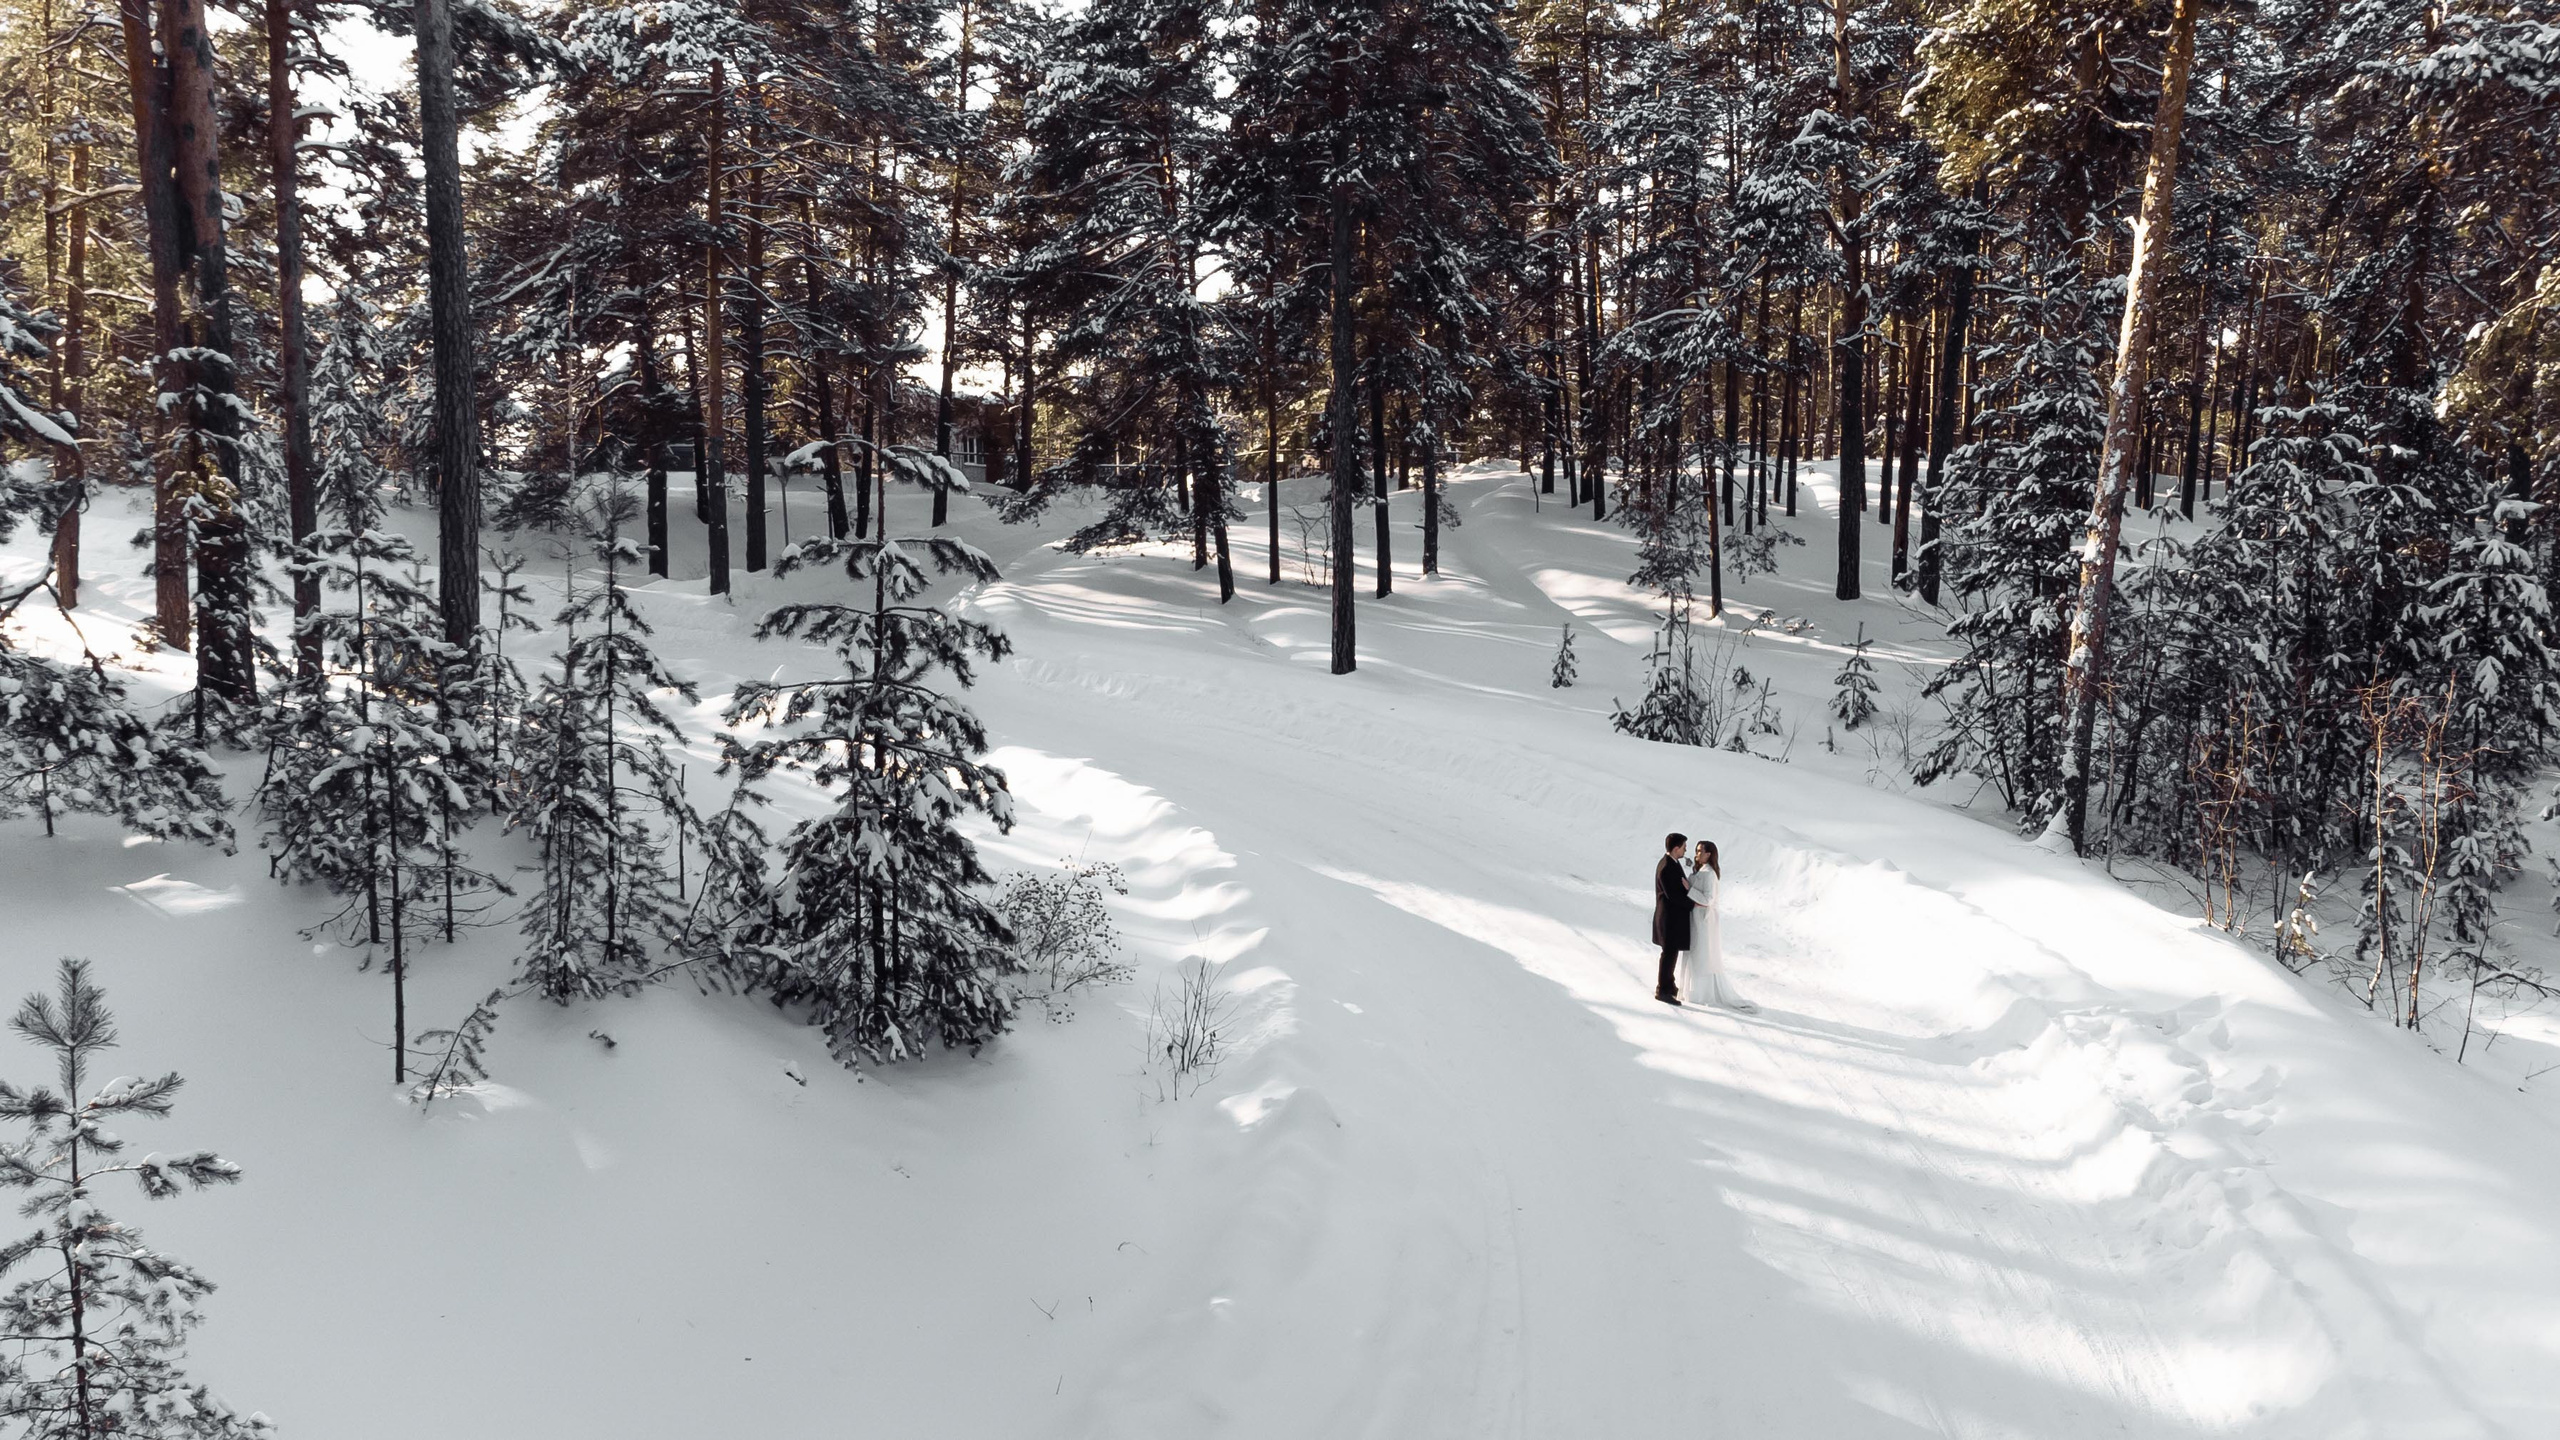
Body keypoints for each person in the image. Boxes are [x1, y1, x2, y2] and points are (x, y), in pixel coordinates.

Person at [1679, 841, 1757, 1012]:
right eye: (1696, 851)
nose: (1696, 854)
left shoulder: (1710, 874)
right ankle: (1692, 990)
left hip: (1704, 920)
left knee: (1702, 954)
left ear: (1709, 854)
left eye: (1700, 851)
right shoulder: (1699, 872)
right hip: (1695, 918)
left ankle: (1702, 993)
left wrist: (1689, 890)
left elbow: (1708, 900)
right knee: (1694, 952)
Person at [1651, 832, 1694, 1006]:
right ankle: (1662, 990)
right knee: (1668, 954)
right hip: (1669, 920)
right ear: (1676, 848)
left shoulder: (1671, 863)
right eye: (1684, 846)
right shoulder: (1667, 867)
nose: (1686, 850)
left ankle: (1669, 985)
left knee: (1671, 953)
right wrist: (1692, 903)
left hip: (1671, 919)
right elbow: (1674, 896)